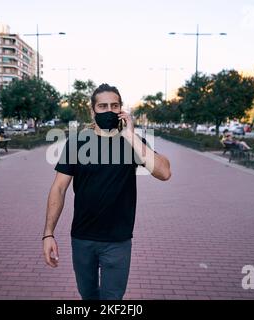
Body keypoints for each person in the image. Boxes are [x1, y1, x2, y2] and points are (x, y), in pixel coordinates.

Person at [43, 83, 172, 300]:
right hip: (82, 239)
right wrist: (48, 234)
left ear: (122, 109)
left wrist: (130, 136)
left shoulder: (132, 143)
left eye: (114, 105)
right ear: (93, 111)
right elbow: (58, 188)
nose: (109, 110)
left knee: (112, 299)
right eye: (103, 106)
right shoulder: (77, 142)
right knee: (88, 295)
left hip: (118, 240)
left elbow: (164, 172)